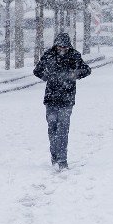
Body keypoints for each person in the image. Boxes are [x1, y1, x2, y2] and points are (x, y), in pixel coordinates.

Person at [33, 32, 91, 170]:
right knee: (52, 129)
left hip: (67, 99)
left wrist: (74, 75)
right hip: (51, 98)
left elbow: (87, 70)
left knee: (63, 129)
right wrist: (47, 77)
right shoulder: (49, 55)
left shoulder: (74, 55)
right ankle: (54, 157)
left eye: (64, 47)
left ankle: (62, 160)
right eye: (59, 47)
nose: (62, 49)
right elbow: (37, 70)